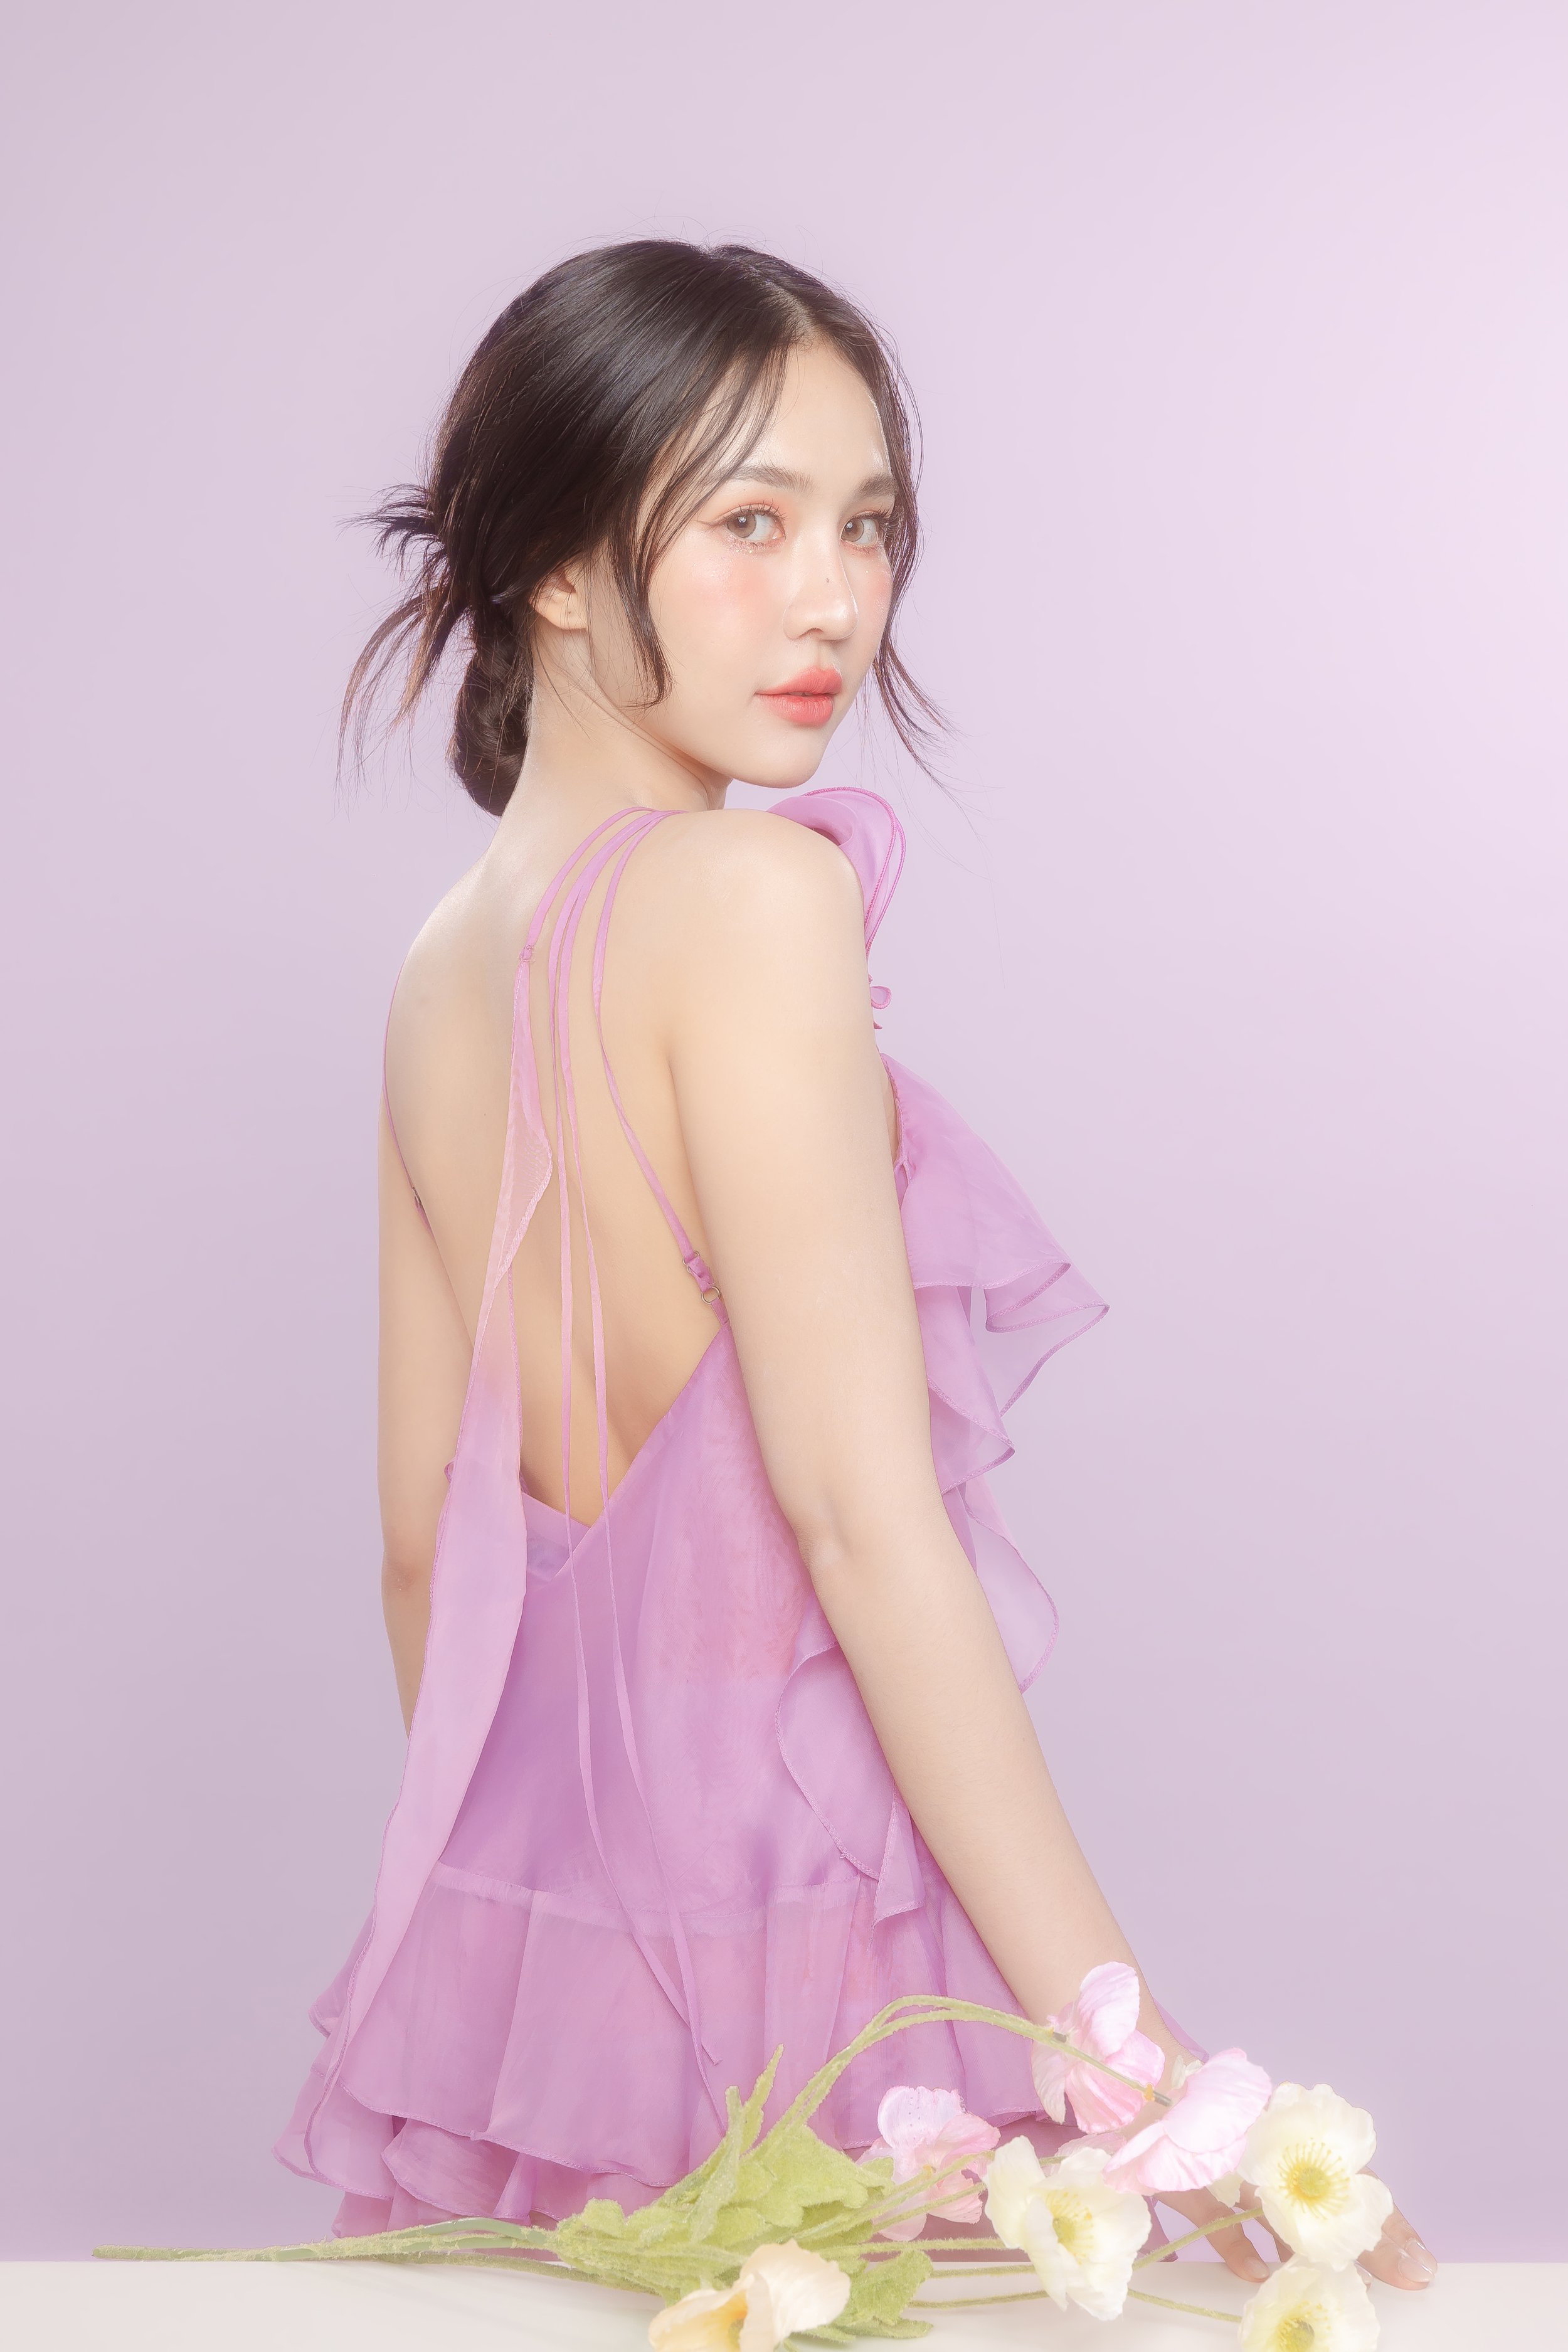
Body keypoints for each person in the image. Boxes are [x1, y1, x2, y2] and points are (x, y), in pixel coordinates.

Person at [275, 240, 1433, 2294]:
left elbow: (411, 1546)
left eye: (866, 526)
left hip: (566, 2007)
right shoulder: (744, 901)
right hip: (822, 1972)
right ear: (554, 564)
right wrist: (1141, 2073)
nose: (832, 600)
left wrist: (539, 1978)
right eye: (748, 522)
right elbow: (852, 1512)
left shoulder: (437, 971)